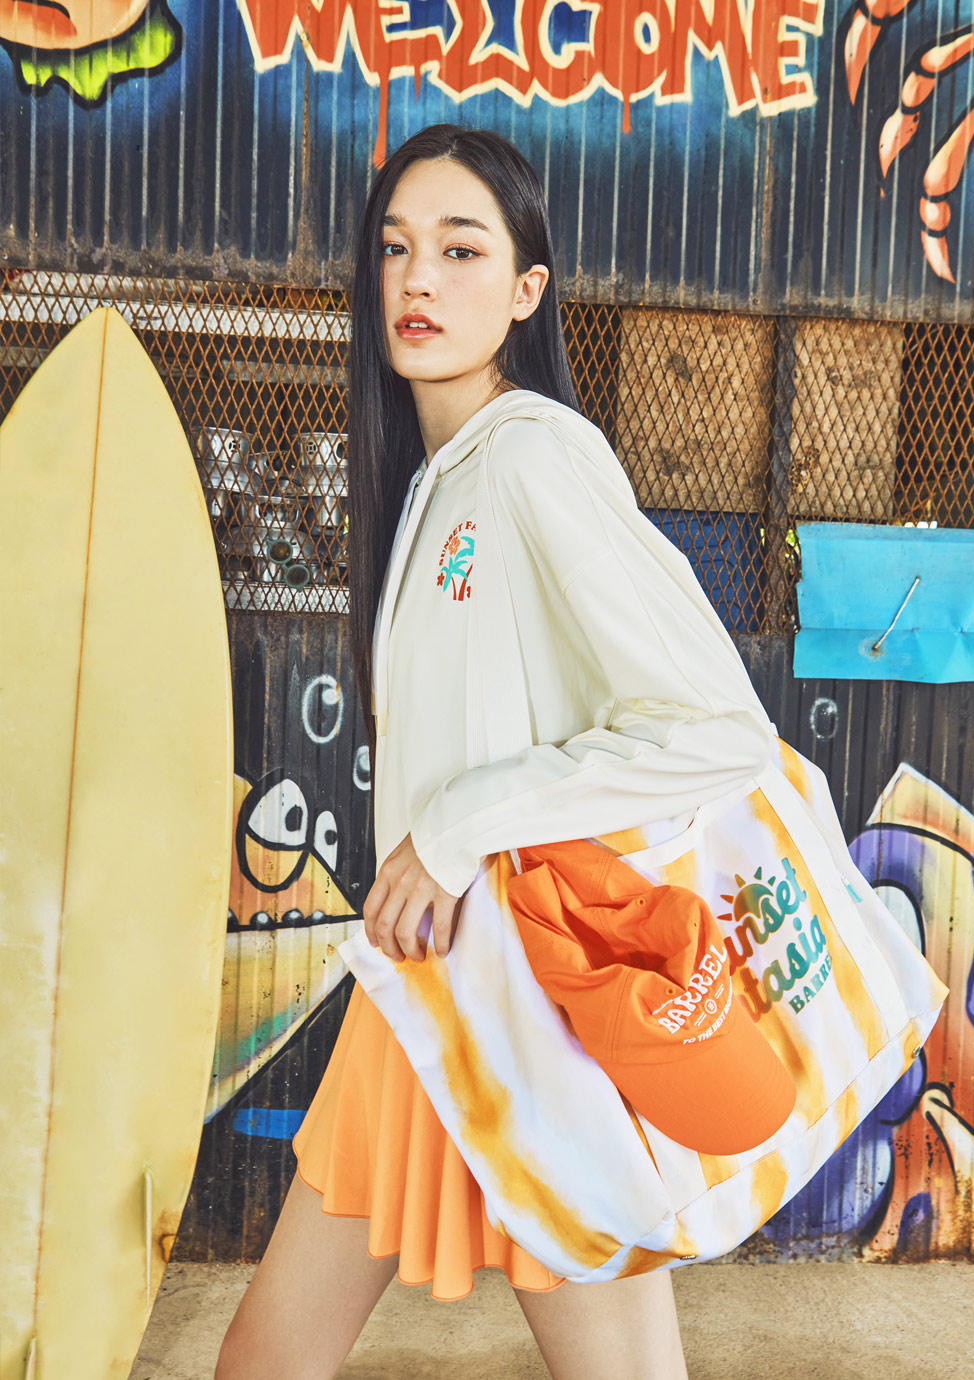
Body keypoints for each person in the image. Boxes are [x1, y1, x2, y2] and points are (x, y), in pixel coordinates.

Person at [216, 122, 772, 1380]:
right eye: (396, 248)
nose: (418, 278)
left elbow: (716, 724)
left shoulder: (533, 454)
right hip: (428, 994)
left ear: (527, 290)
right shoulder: (437, 480)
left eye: (461, 250)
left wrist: (460, 827)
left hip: (533, 1007)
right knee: (265, 1360)